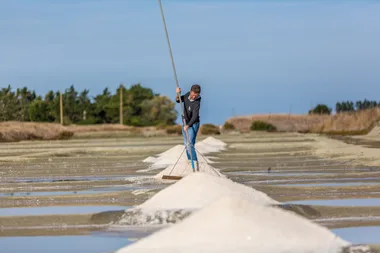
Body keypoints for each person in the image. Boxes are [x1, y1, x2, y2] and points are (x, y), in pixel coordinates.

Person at [175, 84, 201, 171]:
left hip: (193, 124)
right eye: (193, 94)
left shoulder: (197, 102)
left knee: (190, 144)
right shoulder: (187, 95)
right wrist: (178, 94)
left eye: (196, 95)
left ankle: (195, 166)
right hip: (185, 123)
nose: (194, 97)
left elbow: (194, 116)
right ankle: (190, 163)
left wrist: (188, 125)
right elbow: (178, 100)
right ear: (190, 92)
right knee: (186, 145)